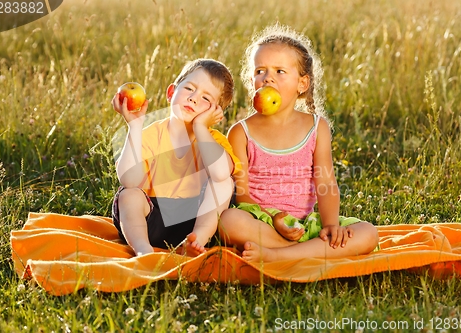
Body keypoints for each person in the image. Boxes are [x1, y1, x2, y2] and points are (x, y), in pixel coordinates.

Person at [219, 24, 379, 263]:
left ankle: (276, 255)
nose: (267, 78)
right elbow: (242, 196)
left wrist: (331, 225)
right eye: (260, 70)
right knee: (228, 221)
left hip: (305, 226)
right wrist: (274, 219)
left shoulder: (317, 128)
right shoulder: (241, 132)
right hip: (264, 224)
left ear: (302, 84)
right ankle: (304, 253)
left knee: (369, 234)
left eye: (279, 71)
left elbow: (325, 182)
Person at [112, 58, 241, 257]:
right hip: (150, 221)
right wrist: (135, 127)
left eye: (206, 98)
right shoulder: (150, 135)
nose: (194, 98)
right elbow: (129, 180)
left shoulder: (215, 142)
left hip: (194, 221)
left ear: (216, 113)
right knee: (128, 195)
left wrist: (200, 127)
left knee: (223, 183)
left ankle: (196, 242)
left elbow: (221, 172)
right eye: (189, 88)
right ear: (171, 92)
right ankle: (143, 249)